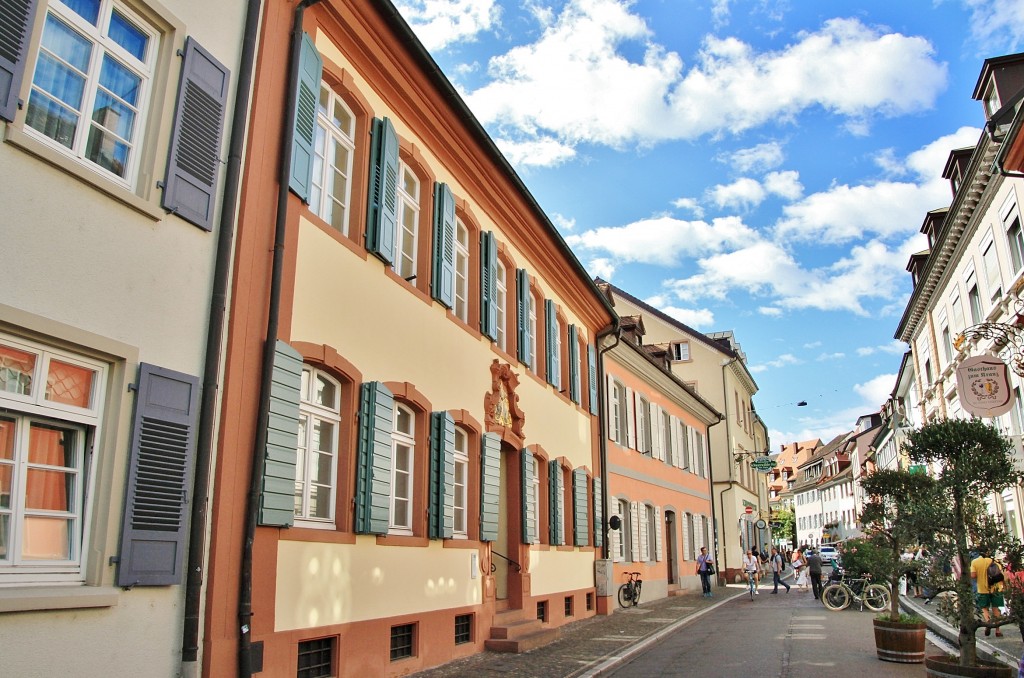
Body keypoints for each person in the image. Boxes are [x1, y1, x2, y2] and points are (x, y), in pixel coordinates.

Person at [971, 551, 1005, 637]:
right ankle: (997, 630)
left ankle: (988, 621)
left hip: (982, 589)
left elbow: (973, 575)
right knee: (996, 609)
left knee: (984, 607)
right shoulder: (995, 562)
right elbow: (1001, 576)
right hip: (996, 589)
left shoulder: (975, 562)